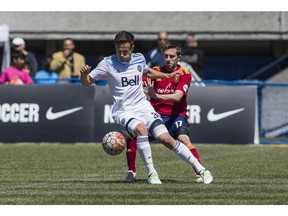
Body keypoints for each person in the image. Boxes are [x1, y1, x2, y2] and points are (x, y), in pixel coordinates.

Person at [80, 31, 213, 185]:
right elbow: (87, 82)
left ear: (132, 48)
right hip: (123, 111)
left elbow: (147, 71)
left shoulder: (139, 58)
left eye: (125, 51)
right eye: (119, 51)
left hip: (143, 106)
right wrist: (84, 75)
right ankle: (151, 173)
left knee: (167, 139)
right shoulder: (107, 63)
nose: (122, 54)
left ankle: (202, 169)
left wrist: (167, 76)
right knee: (141, 130)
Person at [125, 41, 206, 183]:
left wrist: (156, 95)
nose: (168, 59)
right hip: (155, 116)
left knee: (183, 139)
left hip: (176, 116)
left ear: (178, 57)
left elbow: (177, 97)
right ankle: (131, 172)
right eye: (166, 56)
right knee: (132, 136)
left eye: (172, 56)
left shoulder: (184, 74)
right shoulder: (156, 71)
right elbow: (137, 81)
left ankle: (200, 172)